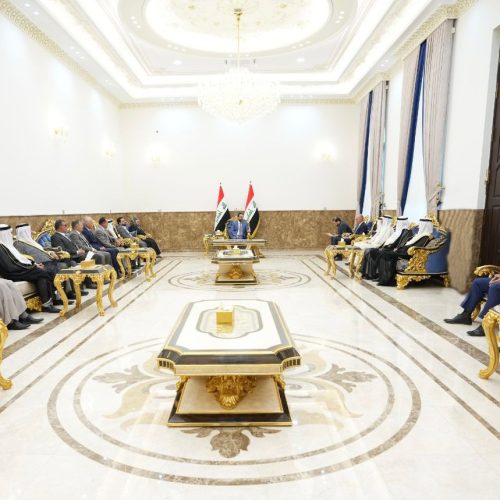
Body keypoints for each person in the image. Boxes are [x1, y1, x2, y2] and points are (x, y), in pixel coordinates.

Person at [0, 224, 60, 313]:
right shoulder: (2, 248)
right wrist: (31, 267)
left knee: (43, 273)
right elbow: (10, 266)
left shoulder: (7, 246)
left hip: (18, 270)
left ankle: (49, 302)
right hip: (12, 273)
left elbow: (21, 259)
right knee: (42, 273)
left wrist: (34, 265)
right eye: (9, 233)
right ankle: (47, 304)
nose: (11, 235)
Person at [14, 223, 80, 301]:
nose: (31, 232)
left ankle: (68, 292)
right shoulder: (18, 244)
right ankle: (57, 298)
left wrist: (50, 252)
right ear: (24, 232)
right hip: (40, 264)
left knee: (65, 266)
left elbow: (42, 250)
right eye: (29, 230)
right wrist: (35, 264)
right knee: (56, 269)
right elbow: (22, 258)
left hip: (49, 261)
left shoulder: (31, 241)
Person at [377, 218, 434, 286]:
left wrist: (401, 250)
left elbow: (416, 248)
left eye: (421, 224)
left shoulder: (425, 237)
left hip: (408, 255)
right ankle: (383, 278)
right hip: (404, 251)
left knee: (386, 253)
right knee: (384, 252)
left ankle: (387, 280)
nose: (419, 226)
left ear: (425, 225)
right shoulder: (420, 235)